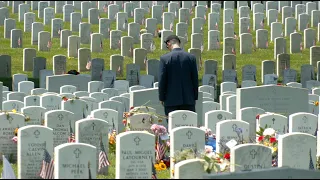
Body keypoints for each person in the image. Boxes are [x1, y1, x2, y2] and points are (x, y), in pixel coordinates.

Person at [158, 35, 199, 122]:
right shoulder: (191, 58)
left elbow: (162, 80)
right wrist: (194, 97)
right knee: (189, 127)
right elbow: (195, 79)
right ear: (179, 43)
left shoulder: (165, 59)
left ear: (169, 44)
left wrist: (161, 97)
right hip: (188, 99)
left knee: (173, 128)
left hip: (171, 99)